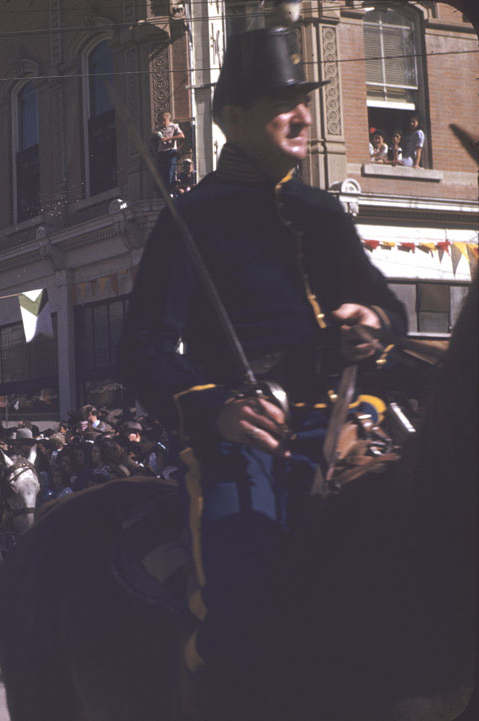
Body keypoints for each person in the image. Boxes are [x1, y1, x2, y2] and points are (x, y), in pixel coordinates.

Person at [119, 27, 406, 719]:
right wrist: (215, 408)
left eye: (303, 101)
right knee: (241, 601)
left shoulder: (323, 212)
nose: (302, 115)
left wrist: (370, 320)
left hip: (348, 421)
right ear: (233, 119)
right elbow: (142, 349)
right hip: (246, 436)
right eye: (282, 104)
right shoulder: (190, 218)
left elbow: (389, 310)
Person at [154, 111, 185, 194]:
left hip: (170, 151)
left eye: (160, 120)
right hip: (161, 152)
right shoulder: (158, 128)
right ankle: (163, 193)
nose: (159, 122)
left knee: (171, 172)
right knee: (162, 173)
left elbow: (182, 135)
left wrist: (168, 139)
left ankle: (171, 192)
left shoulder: (174, 126)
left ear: (166, 119)